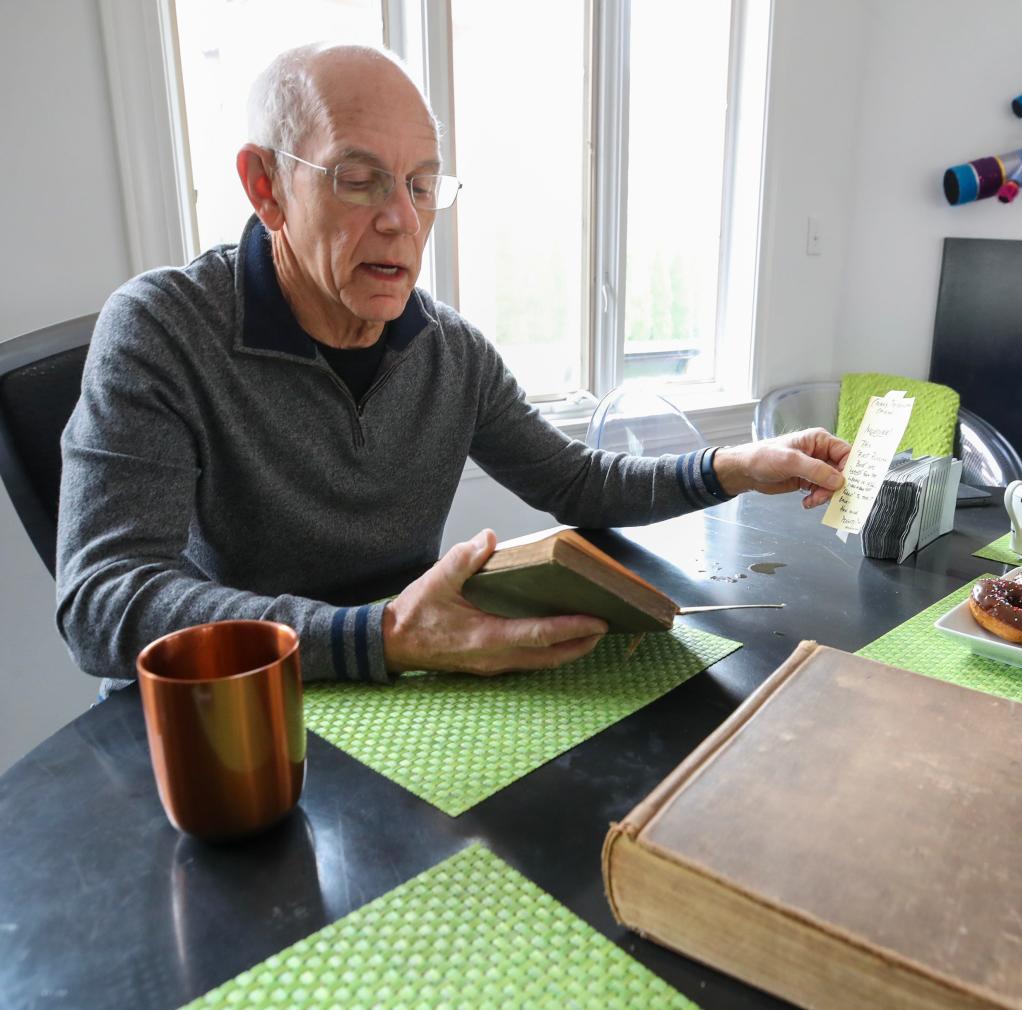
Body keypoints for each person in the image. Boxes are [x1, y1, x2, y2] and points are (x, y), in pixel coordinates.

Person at [56, 43, 848, 689]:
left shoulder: (450, 353)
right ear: (268, 189)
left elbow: (574, 481)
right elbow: (101, 600)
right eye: (359, 178)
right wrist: (382, 635)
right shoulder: (162, 328)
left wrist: (734, 466)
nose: (401, 218)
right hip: (238, 713)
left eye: (423, 184)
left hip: (408, 687)